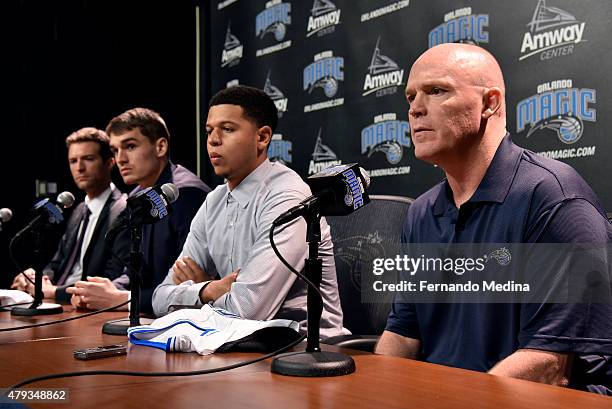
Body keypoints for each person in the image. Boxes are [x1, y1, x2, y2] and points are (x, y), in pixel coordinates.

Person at [374, 43, 612, 393]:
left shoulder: (554, 198)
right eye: (410, 97)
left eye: (436, 91)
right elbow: (403, 334)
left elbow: (548, 366)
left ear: (490, 103)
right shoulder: (421, 212)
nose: (415, 109)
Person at [151, 85, 348, 339]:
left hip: (305, 350)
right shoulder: (213, 202)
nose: (213, 140)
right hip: (236, 345)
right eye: (209, 131)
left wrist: (198, 293)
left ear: (263, 137)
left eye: (228, 129)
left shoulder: (286, 195)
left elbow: (248, 309)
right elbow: (159, 298)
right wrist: (209, 289)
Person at [67, 108, 210, 314]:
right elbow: (136, 270)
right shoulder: (137, 195)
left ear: (160, 147)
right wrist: (103, 291)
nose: (120, 159)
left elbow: (185, 285)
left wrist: (121, 298)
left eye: (130, 146)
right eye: (115, 150)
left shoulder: (184, 193)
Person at [11, 127, 128, 303]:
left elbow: (112, 278)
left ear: (110, 163)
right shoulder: (79, 210)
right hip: (57, 300)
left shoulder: (124, 209)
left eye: (88, 159)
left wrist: (53, 292)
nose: (79, 168)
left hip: (84, 306)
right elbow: (57, 264)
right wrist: (35, 279)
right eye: (73, 161)